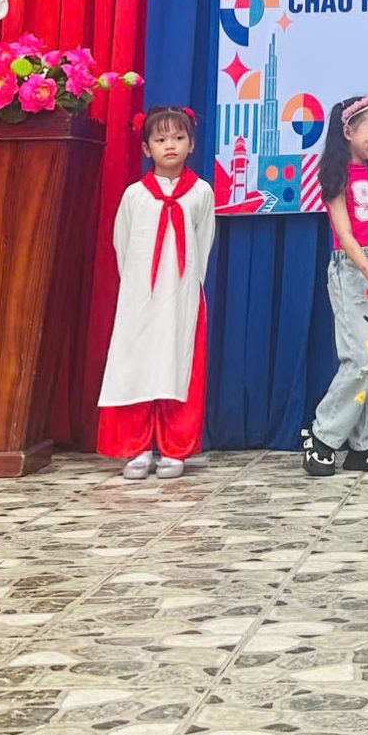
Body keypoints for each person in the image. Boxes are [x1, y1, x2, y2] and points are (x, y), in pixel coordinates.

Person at [99, 106, 217, 479]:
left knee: (177, 363)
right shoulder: (135, 195)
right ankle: (136, 447)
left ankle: (174, 447)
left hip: (181, 295)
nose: (170, 145)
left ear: (191, 144)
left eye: (178, 138)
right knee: (136, 364)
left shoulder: (201, 192)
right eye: (161, 139)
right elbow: (122, 244)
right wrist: (137, 291)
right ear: (146, 148)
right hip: (140, 298)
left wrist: (186, 285)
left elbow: (203, 242)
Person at [301, 94, 368, 478]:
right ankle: (323, 437)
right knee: (361, 357)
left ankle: (367, 443)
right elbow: (344, 235)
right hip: (352, 270)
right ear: (348, 131)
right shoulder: (337, 175)